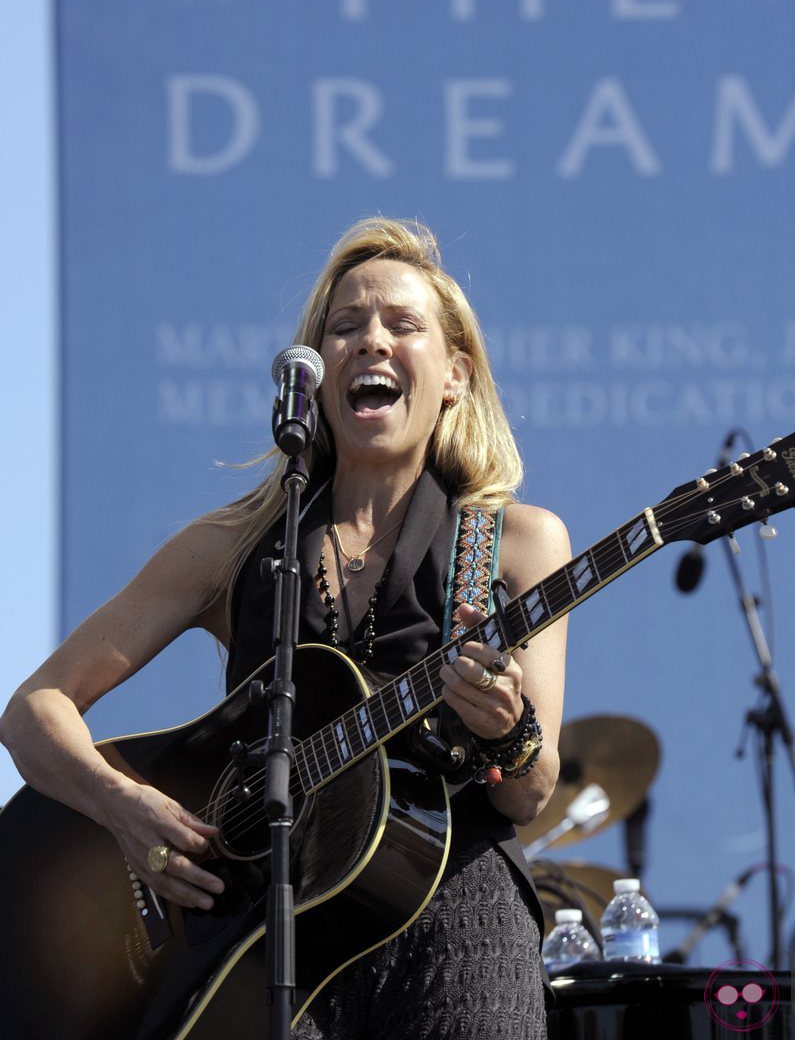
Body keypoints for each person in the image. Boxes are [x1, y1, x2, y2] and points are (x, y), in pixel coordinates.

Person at [0, 216, 570, 1039]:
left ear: (454, 374)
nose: (371, 341)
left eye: (402, 325)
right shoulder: (230, 547)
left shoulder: (515, 542)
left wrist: (507, 728)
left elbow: (530, 789)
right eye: (345, 328)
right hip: (269, 946)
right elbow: (32, 710)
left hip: (459, 926)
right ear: (315, 376)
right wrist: (126, 808)